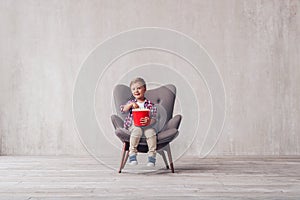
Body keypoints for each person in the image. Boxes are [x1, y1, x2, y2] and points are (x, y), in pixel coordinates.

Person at [120, 77, 157, 167]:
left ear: (145, 89)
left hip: (146, 126)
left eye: (139, 88)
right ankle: (132, 154)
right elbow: (123, 109)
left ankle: (152, 156)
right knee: (137, 130)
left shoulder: (150, 104)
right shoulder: (131, 102)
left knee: (151, 133)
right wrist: (131, 105)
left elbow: (154, 118)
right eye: (133, 89)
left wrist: (149, 121)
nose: (136, 91)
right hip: (133, 125)